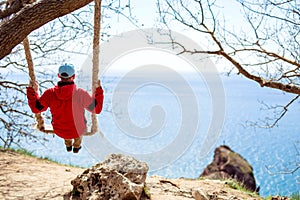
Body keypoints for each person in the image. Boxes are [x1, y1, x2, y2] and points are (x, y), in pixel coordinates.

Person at [26, 64, 104, 153]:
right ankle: (76, 147)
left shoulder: (50, 94)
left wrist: (33, 91)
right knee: (78, 130)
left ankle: (68, 145)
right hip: (77, 130)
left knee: (65, 129)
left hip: (60, 130)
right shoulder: (80, 94)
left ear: (59, 76)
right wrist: (98, 90)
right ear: (73, 76)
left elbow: (36, 108)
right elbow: (97, 109)